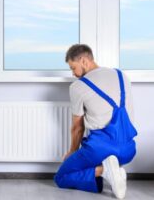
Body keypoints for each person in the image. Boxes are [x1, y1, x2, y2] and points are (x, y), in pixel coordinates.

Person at [54, 44, 137, 199]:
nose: (73, 73)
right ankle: (113, 171)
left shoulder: (78, 87)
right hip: (128, 150)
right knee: (89, 169)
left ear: (84, 61)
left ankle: (103, 170)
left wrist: (72, 152)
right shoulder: (121, 76)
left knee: (61, 177)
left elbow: (78, 128)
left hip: (100, 149)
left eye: (73, 68)